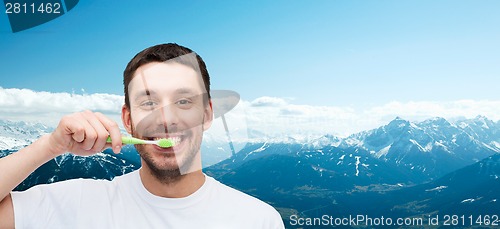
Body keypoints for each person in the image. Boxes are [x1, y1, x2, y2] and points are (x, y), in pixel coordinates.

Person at [0, 43, 285, 228]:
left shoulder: (258, 220)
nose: (166, 119)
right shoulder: (73, 205)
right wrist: (49, 146)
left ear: (207, 114)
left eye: (183, 101)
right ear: (128, 119)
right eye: (149, 103)